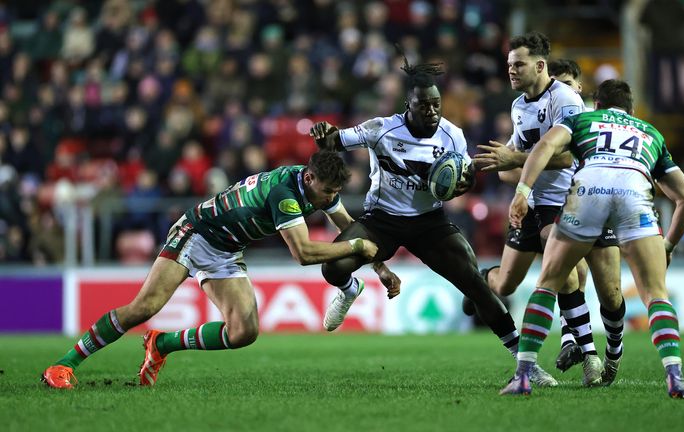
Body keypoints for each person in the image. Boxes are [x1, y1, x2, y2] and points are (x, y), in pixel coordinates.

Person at [41, 150, 397, 389]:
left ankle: (161, 343)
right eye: (327, 192)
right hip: (196, 233)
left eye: (335, 193)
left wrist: (379, 268)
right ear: (309, 178)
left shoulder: (319, 189)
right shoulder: (285, 193)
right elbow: (303, 253)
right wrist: (354, 247)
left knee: (244, 331)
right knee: (144, 308)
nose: (329, 199)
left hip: (225, 249)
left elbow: (347, 226)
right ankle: (63, 364)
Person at [309, 53, 558, 388]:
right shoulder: (381, 129)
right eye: (423, 105)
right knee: (332, 268)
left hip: (429, 222)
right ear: (407, 105)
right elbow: (334, 140)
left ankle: (525, 365)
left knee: (475, 284)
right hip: (381, 219)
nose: (432, 111)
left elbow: (462, 180)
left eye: (436, 104)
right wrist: (323, 132)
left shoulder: (452, 135)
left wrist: (462, 184)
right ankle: (349, 288)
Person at [502, 79, 684, 399]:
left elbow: (545, 147)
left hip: (588, 192)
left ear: (596, 104)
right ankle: (675, 377)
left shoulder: (582, 119)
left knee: (548, 283)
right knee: (655, 293)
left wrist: (523, 191)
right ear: (632, 110)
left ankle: (524, 375)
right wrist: (667, 245)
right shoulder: (649, 132)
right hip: (633, 196)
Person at [470, 33, 604, 387]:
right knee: (504, 285)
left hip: (562, 202)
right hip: (527, 204)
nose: (511, 70)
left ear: (540, 65)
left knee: (567, 272)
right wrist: (494, 164)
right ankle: (479, 282)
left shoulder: (566, 99)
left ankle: (589, 355)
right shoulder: (518, 106)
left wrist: (514, 159)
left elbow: (568, 155)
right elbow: (517, 157)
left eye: (519, 64)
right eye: (509, 64)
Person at [547, 59, 626, 383]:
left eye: (566, 83)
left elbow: (570, 156)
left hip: (596, 202)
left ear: (579, 88)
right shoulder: (546, 118)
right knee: (572, 274)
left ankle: (612, 353)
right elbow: (519, 163)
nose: (560, 90)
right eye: (555, 84)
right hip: (556, 205)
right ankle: (582, 348)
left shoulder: (593, 121)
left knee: (611, 293)